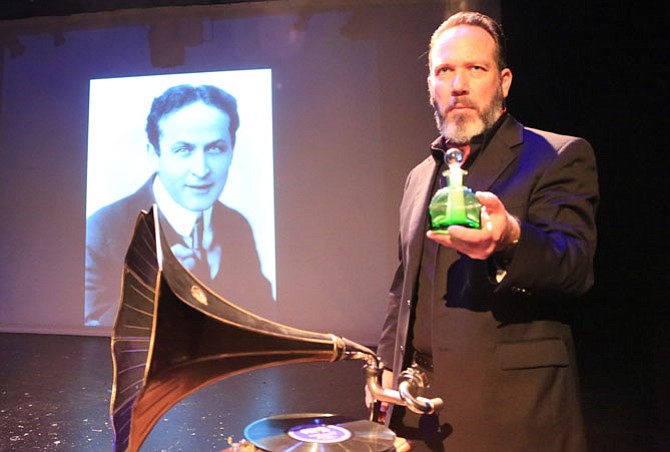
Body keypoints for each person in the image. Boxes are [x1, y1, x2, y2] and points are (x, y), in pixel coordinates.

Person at [374, 12, 598, 452]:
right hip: (418, 414)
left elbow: (575, 266)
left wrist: (511, 238)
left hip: (511, 414)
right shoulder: (419, 176)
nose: (458, 84)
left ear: (504, 81)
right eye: (444, 71)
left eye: (475, 68)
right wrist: (385, 369)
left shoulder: (556, 155)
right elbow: (404, 289)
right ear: (431, 87)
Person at [85, 84, 274, 327]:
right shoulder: (102, 231)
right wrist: (154, 288)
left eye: (215, 148)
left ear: (232, 151)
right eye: (183, 149)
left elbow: (264, 318)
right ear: (154, 154)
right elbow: (92, 332)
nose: (202, 169)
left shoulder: (236, 224)